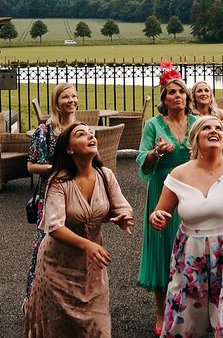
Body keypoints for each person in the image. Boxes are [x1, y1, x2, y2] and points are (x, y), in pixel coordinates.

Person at [149, 114, 223, 337]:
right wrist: (157, 217)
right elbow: (159, 211)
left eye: (218, 128)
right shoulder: (179, 173)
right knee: (184, 322)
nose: (213, 131)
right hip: (190, 255)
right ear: (195, 138)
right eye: (206, 128)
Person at [23, 123, 134, 337]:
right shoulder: (58, 180)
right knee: (58, 329)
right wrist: (88, 244)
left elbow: (122, 206)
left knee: (98, 327)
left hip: (92, 268)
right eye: (81, 134)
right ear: (69, 149)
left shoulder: (105, 175)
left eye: (91, 133)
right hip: (57, 267)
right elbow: (54, 226)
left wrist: (123, 217)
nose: (90, 136)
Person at [137, 62, 199, 336]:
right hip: (163, 191)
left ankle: (189, 309)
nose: (177, 96)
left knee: (193, 250)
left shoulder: (197, 123)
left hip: (193, 190)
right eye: (171, 92)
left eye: (181, 92)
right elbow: (142, 159)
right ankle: (162, 312)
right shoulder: (153, 125)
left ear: (187, 97)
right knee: (165, 251)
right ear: (164, 99)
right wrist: (157, 153)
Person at [24, 83, 79, 306]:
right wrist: (54, 168)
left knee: (75, 246)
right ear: (56, 102)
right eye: (66, 97)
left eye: (74, 96)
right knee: (47, 245)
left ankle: (70, 299)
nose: (71, 100)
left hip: (76, 195)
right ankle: (36, 299)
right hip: (51, 195)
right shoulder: (44, 131)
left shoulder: (81, 129)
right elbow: (30, 166)